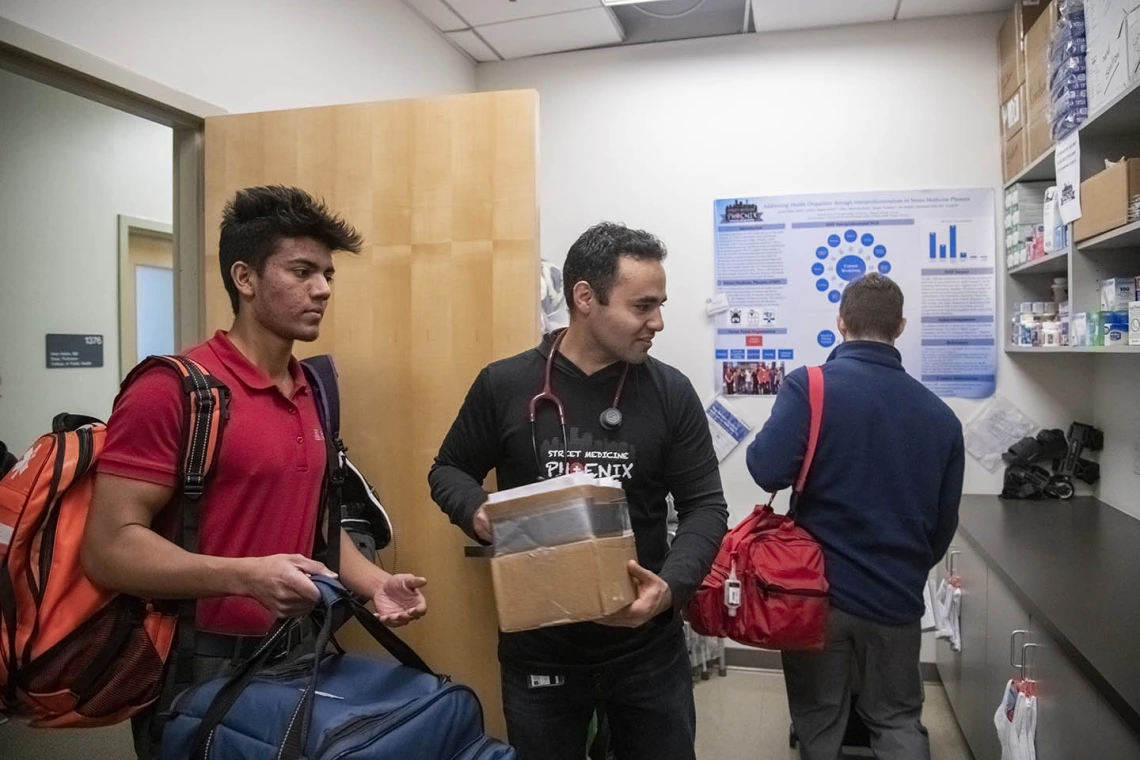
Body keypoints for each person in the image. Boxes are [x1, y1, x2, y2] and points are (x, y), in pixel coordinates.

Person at [81, 186, 429, 759]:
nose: (322, 289)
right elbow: (109, 550)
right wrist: (245, 575)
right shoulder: (173, 390)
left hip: (297, 653)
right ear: (244, 278)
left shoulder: (311, 387)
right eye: (301, 271)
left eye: (327, 273)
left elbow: (312, 523)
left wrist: (374, 584)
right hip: (195, 668)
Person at [429, 222, 728, 760]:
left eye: (659, 305)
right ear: (584, 298)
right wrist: (478, 513)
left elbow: (705, 506)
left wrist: (670, 586)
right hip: (541, 650)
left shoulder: (670, 392)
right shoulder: (505, 385)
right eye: (642, 306)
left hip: (647, 651)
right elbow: (449, 470)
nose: (657, 322)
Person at [746, 273, 963, 760]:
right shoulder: (941, 417)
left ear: (840, 322)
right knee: (897, 718)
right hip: (896, 597)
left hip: (815, 594)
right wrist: (903, 572)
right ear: (901, 327)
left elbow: (766, 470)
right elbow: (943, 524)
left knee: (819, 719)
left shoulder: (811, 386)